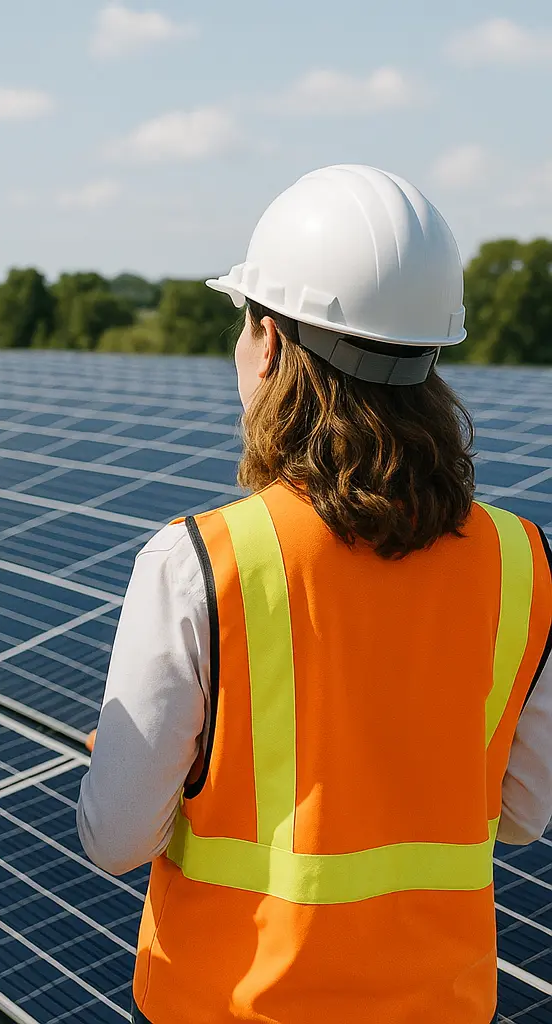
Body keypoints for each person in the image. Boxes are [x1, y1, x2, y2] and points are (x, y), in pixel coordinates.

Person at [77, 164, 552, 1024]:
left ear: (269, 339)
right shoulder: (524, 562)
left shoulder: (200, 561)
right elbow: (520, 816)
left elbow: (113, 842)